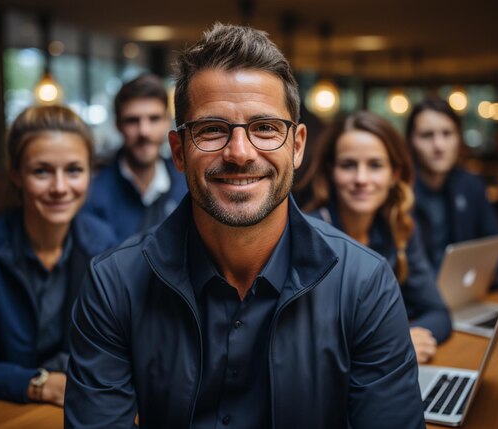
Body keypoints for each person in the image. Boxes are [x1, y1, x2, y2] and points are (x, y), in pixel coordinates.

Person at [64, 23, 424, 428]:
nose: (239, 153)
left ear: (298, 146)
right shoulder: (113, 284)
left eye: (266, 128)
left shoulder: (365, 284)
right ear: (179, 152)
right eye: (212, 130)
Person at [0, 105, 118, 408]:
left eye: (74, 170)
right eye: (41, 171)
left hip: (75, 408)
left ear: (91, 173)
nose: (60, 188)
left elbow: (110, 347)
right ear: (16, 175)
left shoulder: (103, 241)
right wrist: (42, 384)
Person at [296, 111, 452, 363]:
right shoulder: (308, 234)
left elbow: (438, 313)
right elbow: (302, 343)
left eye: (375, 165)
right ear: (331, 171)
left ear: (394, 174)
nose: (361, 179)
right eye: (348, 165)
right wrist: (394, 344)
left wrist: (404, 340)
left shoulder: (398, 229)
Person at [405, 97, 498, 291]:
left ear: (458, 138)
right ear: (411, 141)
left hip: (465, 294)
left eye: (447, 134)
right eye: (427, 135)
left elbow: (497, 245)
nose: (439, 145)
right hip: (416, 304)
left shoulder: (471, 185)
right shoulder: (401, 192)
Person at [82, 73, 188, 241]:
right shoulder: (92, 194)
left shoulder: (187, 187)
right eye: (132, 120)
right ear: (118, 125)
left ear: (167, 122)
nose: (144, 131)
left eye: (154, 119)